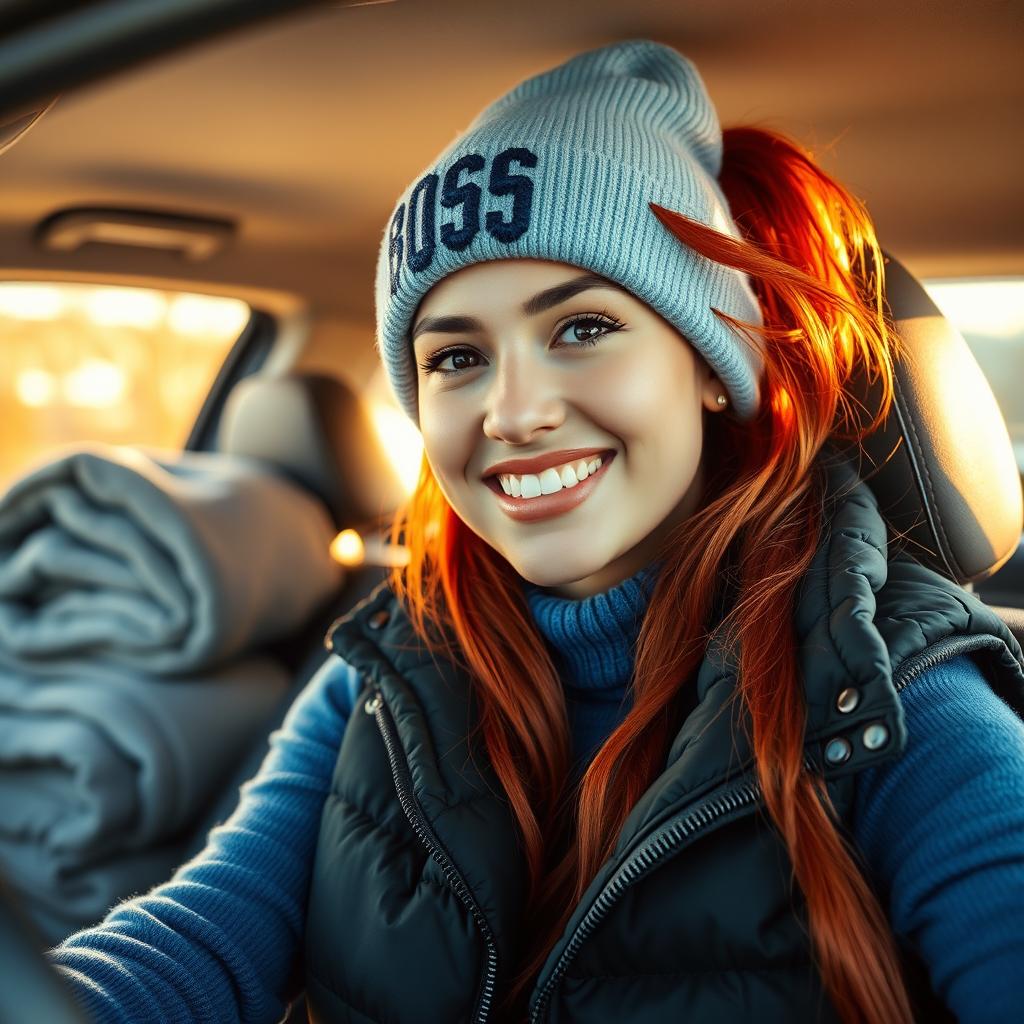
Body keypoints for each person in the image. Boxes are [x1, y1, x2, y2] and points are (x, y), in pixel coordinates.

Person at [49, 38, 1024, 1024]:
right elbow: (206, 934)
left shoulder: (888, 691)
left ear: (705, 359)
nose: (513, 413)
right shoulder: (387, 668)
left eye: (581, 329)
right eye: (458, 356)